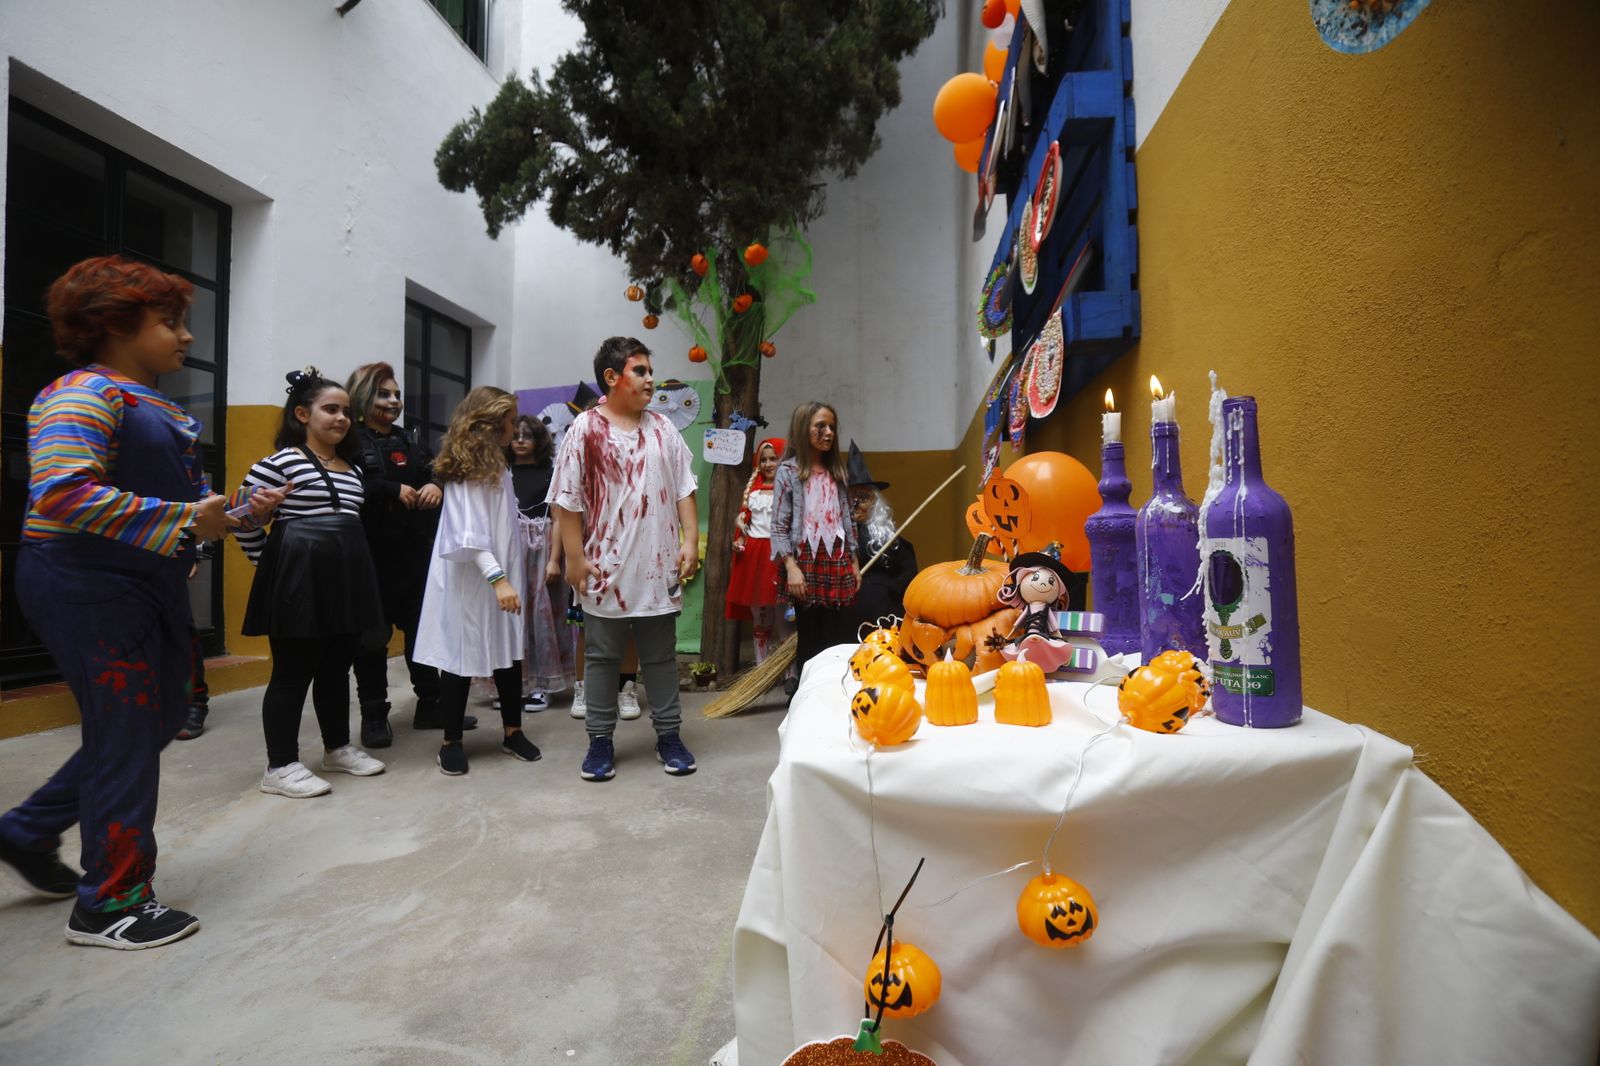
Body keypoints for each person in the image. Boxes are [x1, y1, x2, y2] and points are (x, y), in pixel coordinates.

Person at [0, 255, 278, 949]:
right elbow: (61, 493)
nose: (186, 336)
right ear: (115, 324)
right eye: (169, 322)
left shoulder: (151, 402)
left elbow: (185, 509)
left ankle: (27, 830)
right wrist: (187, 520)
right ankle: (109, 904)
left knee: (155, 719)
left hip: (139, 581)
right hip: (86, 582)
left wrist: (242, 512)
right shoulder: (80, 394)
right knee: (126, 730)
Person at [549, 336, 699, 782]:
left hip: (658, 568)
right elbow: (567, 502)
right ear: (612, 377)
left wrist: (690, 541)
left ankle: (669, 736)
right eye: (641, 371)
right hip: (605, 570)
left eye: (651, 370)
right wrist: (574, 559)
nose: (650, 379)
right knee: (601, 657)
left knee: (660, 657)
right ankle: (599, 741)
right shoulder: (585, 430)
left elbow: (684, 489)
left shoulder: (664, 429)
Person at [235, 368, 389, 799]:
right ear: (303, 414)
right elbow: (238, 518)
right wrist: (270, 565)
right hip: (298, 584)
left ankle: (336, 748)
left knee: (337, 668)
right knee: (292, 672)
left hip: (345, 582)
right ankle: (280, 765)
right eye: (330, 409)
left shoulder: (353, 470)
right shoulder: (279, 463)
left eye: (346, 412)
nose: (341, 418)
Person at [343, 362, 475, 745]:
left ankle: (431, 705)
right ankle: (373, 715)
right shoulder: (348, 442)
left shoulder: (408, 440)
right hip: (371, 559)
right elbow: (346, 484)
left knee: (423, 633)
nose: (393, 401)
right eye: (383, 394)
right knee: (372, 639)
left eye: (397, 395)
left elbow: (438, 471)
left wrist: (436, 485)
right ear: (363, 397)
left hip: (416, 556)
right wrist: (390, 490)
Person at [413, 387, 542, 776]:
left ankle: (513, 732)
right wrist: (499, 580)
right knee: (461, 654)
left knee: (507, 650)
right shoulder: (465, 469)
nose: (514, 428)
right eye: (510, 420)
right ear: (490, 423)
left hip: (499, 573)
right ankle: (450, 742)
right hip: (471, 578)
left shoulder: (496, 466)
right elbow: (468, 536)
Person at [770, 402, 860, 678]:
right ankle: (805, 692)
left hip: (837, 558)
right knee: (809, 635)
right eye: (821, 426)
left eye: (832, 427)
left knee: (835, 636)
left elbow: (847, 517)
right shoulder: (788, 472)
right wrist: (791, 566)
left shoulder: (838, 472)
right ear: (802, 429)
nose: (829, 432)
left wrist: (854, 561)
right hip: (804, 560)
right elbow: (779, 524)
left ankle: (831, 688)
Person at [509, 414, 575, 710]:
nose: (521, 440)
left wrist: (554, 560)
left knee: (543, 617)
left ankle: (542, 684)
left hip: (543, 551)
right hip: (511, 552)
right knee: (513, 616)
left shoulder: (551, 472)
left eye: (528, 435)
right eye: (515, 435)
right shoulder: (503, 473)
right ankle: (513, 684)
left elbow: (559, 518)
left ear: (539, 440)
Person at [725, 438, 792, 666]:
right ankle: (761, 666)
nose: (768, 464)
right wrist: (739, 540)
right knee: (760, 615)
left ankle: (788, 671)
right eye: (763, 459)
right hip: (754, 556)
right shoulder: (752, 493)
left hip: (779, 555)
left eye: (773, 459)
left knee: (784, 614)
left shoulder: (790, 490)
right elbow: (745, 526)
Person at [844, 441, 918, 636]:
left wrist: (894, 587)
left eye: (863, 497)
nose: (856, 504)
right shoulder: (837, 539)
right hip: (847, 615)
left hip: (884, 614)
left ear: (875, 501)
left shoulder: (889, 539)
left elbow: (909, 571)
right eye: (851, 498)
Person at [996, 547, 1077, 672]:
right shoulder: (1028, 608)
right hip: (1028, 636)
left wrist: (1060, 640)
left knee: (1043, 647)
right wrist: (1008, 637)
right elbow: (1017, 625)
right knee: (1023, 649)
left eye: (1051, 581)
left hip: (1042, 636)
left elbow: (1054, 628)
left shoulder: (1046, 610)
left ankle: (1047, 664)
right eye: (1035, 577)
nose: (1043, 584)